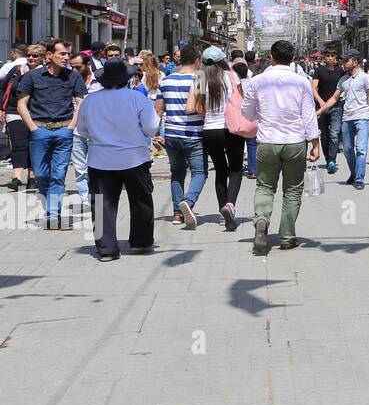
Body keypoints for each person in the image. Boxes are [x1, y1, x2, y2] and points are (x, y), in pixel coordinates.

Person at [239, 39, 321, 253]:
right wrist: (315, 143)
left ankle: (262, 219)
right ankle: (287, 237)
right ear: (292, 58)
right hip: (295, 142)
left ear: (271, 58)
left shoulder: (258, 81)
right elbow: (309, 115)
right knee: (292, 190)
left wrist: (264, 115)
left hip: (267, 141)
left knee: (265, 186)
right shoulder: (301, 81)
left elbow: (246, 112)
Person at [76, 59, 161, 261]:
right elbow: (150, 128)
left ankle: (106, 249)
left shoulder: (90, 100)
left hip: (100, 159)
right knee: (140, 201)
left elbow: (82, 130)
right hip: (134, 157)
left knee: (102, 205)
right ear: (128, 79)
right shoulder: (137, 99)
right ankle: (141, 242)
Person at [16, 39, 86, 230]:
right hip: (40, 131)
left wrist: (71, 126)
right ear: (49, 55)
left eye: (68, 54)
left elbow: (81, 102)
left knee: (58, 175)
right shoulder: (32, 77)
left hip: (64, 131)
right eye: (62, 54)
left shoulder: (73, 77)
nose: (66, 58)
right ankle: (51, 211)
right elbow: (21, 103)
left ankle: (53, 215)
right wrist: (33, 128)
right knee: (41, 174)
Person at [156, 44, 207, 229]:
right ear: (197, 60)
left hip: (171, 133)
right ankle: (189, 201)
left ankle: (177, 213)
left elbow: (158, 110)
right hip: (193, 134)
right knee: (199, 172)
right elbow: (200, 108)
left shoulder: (167, 80)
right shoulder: (199, 78)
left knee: (177, 174)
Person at [200, 47, 246, 232]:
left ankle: (222, 215)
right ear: (223, 60)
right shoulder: (232, 76)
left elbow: (198, 107)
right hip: (231, 128)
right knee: (235, 168)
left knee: (220, 170)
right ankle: (230, 205)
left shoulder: (199, 78)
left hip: (210, 129)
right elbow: (242, 99)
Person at [325, 51, 369, 189]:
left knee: (361, 149)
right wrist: (320, 110)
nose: (344, 63)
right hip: (347, 118)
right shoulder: (343, 80)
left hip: (362, 118)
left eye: (347, 61)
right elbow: (334, 98)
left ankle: (359, 178)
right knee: (348, 149)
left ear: (355, 62)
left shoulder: (365, 78)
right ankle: (354, 173)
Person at [2, 44, 43, 192]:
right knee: (19, 143)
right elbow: (3, 87)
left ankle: (32, 178)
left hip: (36, 113)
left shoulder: (45, 73)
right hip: (14, 110)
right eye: (29, 55)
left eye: (35, 56)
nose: (31, 58)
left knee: (33, 144)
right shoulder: (17, 70)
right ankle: (17, 178)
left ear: (42, 58)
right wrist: (2, 108)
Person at [67, 53, 103, 214]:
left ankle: (98, 196)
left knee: (95, 166)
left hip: (97, 131)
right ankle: (84, 198)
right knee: (80, 168)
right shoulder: (68, 82)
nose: (74, 70)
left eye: (78, 67)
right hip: (76, 130)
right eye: (72, 67)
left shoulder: (100, 81)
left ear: (88, 64)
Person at [311, 48, 344, 173]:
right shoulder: (319, 71)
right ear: (324, 58)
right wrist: (320, 101)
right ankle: (327, 158)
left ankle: (332, 160)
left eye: (332, 55)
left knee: (334, 134)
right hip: (321, 107)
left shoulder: (341, 71)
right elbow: (313, 88)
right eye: (328, 55)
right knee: (324, 136)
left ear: (336, 58)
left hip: (337, 107)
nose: (330, 58)